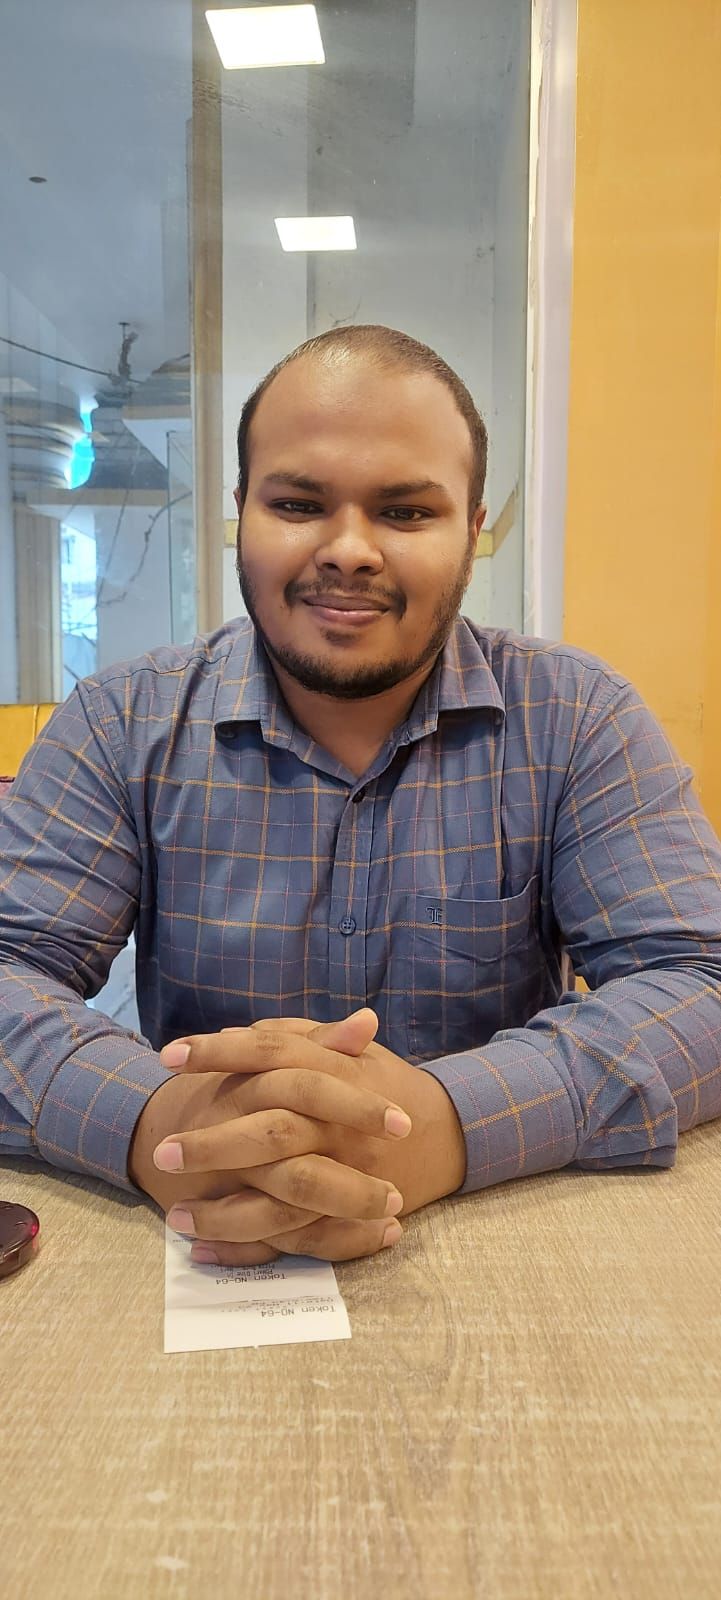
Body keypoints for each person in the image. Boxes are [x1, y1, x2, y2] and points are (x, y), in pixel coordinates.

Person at [2, 325, 721, 1270]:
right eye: (298, 504)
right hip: (197, 1237)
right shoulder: (119, 722)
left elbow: (699, 980)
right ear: (241, 512)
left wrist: (449, 1123)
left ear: (471, 530)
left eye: (406, 511)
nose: (348, 551)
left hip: (500, 1230)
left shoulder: (577, 717)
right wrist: (154, 1123)